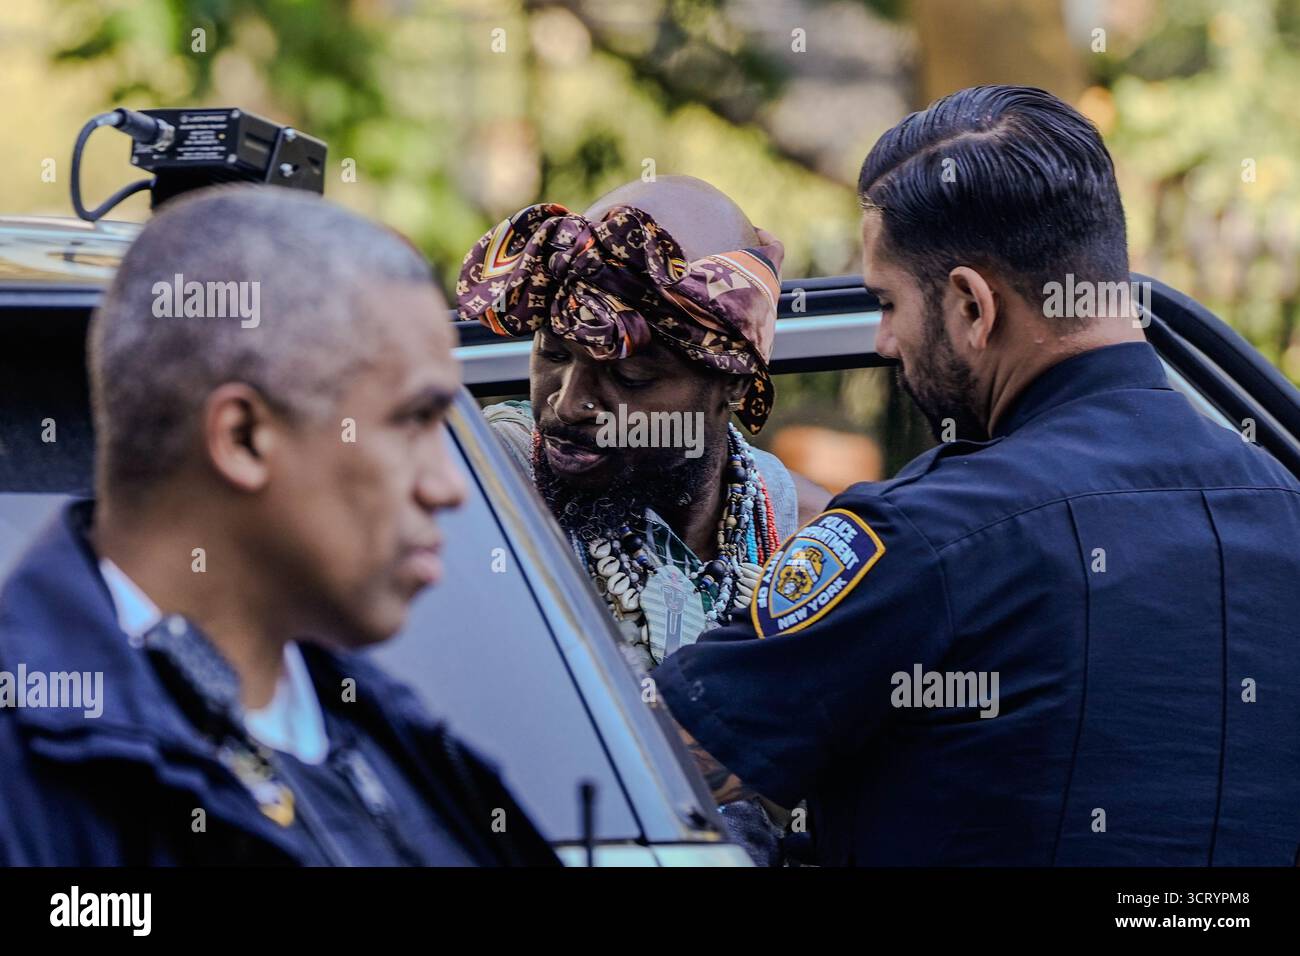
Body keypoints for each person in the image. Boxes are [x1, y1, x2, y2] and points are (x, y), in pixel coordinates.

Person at [651, 85, 1300, 866]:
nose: (885, 342)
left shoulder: (927, 539)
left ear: (971, 305)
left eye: (887, 303)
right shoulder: (1285, 506)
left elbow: (638, 759)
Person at [0, 185, 557, 866]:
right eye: (412, 422)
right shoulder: (31, 785)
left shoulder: (392, 741)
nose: (448, 488)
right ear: (244, 437)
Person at [457, 175, 824, 864]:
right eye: (553, 353)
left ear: (731, 385)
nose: (568, 404)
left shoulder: (804, 538)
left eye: (628, 379)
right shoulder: (480, 496)